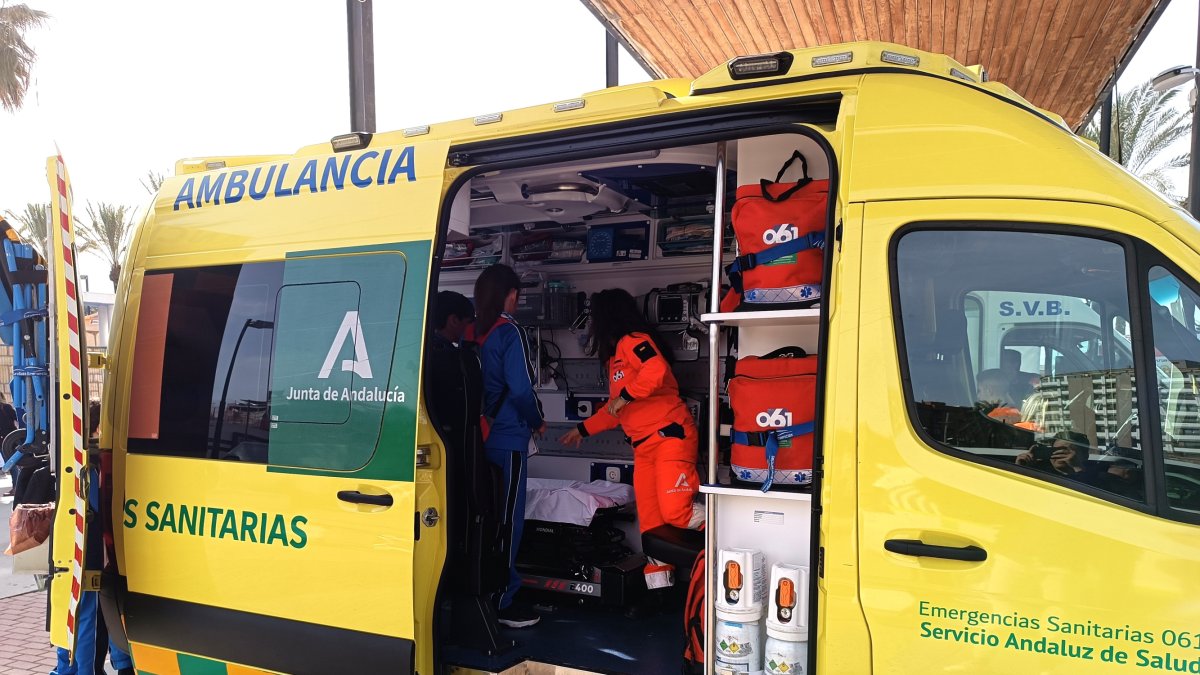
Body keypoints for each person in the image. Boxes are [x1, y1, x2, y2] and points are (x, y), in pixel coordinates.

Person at [559, 288, 702, 534]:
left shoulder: (634, 340)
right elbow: (614, 410)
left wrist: (625, 397)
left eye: (594, 317)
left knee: (677, 513)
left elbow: (655, 370)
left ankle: (729, 528)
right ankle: (657, 573)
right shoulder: (614, 360)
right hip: (644, 448)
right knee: (650, 524)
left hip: (669, 438)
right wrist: (582, 430)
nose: (592, 324)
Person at [470, 264, 544, 629]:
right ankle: (503, 599)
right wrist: (537, 420)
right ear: (509, 294)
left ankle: (477, 592)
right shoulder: (509, 331)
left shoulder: (471, 331)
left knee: (480, 517)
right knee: (507, 521)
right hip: (507, 437)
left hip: (475, 440)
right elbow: (521, 389)